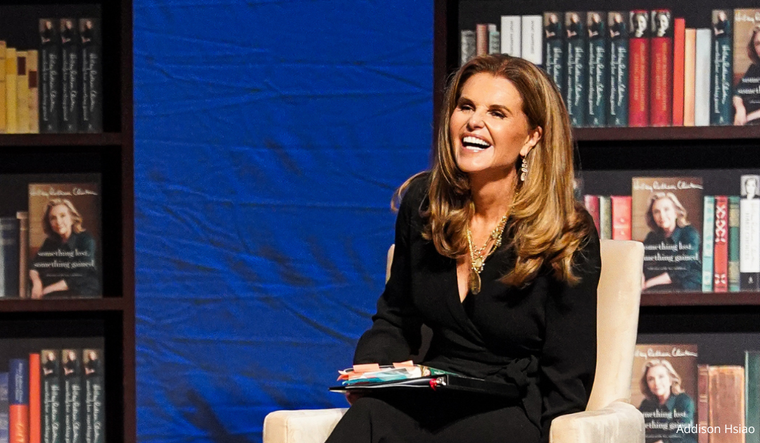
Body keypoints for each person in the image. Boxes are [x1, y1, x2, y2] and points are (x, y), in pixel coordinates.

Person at [326, 54, 600, 443]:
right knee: (371, 416)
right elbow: (395, 317)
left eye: (497, 113)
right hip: (432, 394)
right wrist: (376, 372)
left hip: (512, 408)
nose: (474, 121)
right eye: (466, 106)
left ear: (532, 137)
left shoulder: (566, 232)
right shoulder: (425, 204)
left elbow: (567, 376)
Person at [29, 199, 99, 298]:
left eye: (63, 215)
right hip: (58, 292)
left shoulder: (86, 240)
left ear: (72, 218)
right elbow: (34, 266)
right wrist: (37, 283)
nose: (58, 221)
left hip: (84, 292)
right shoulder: (49, 242)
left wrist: (47, 290)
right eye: (53, 218)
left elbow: (80, 274)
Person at [642, 192, 701, 291]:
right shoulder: (652, 236)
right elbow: (640, 261)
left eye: (666, 209)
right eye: (656, 211)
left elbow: (683, 269)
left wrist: (648, 284)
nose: (662, 215)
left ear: (676, 212)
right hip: (661, 284)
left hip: (687, 285)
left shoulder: (690, 233)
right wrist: (641, 278)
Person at [638, 360, 696, 443]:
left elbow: (679, 433)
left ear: (670, 380)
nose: (656, 383)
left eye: (661, 377)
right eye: (651, 379)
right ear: (647, 384)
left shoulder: (684, 401)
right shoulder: (646, 404)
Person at [734, 26, 760, 125]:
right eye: (758, 44)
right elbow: (737, 93)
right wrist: (740, 109)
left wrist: (748, 118)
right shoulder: (753, 69)